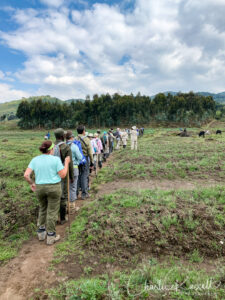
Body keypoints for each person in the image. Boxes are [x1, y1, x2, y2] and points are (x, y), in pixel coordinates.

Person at [24, 140, 71, 245]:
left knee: (43, 208)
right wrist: (66, 163)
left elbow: (26, 175)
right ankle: (51, 235)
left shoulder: (35, 159)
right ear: (51, 149)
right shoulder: (55, 160)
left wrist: (32, 183)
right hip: (54, 188)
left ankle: (41, 233)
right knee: (52, 211)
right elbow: (63, 175)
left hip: (40, 188)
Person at [54, 128, 74, 224]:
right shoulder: (66, 147)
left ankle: (54, 217)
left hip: (52, 174)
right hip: (63, 173)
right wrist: (72, 176)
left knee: (54, 195)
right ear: (62, 136)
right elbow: (69, 163)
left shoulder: (51, 146)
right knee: (63, 195)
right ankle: (62, 218)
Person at [66, 131, 82, 214]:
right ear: (72, 137)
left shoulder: (62, 146)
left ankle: (65, 206)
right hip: (74, 168)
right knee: (72, 187)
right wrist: (76, 162)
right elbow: (79, 157)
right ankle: (71, 207)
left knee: (65, 187)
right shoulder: (74, 146)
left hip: (63, 170)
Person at [76, 125, 93, 200]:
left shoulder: (75, 139)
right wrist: (92, 161)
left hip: (76, 159)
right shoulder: (86, 139)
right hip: (84, 158)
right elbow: (90, 152)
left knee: (77, 175)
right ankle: (84, 193)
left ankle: (76, 193)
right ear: (83, 131)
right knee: (84, 175)